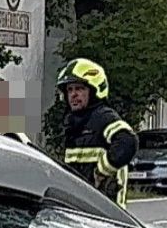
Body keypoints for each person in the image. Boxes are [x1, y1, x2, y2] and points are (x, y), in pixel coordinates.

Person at [55, 58, 137, 206]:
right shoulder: (73, 124)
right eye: (69, 89)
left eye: (79, 89)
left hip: (107, 214)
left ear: (94, 91)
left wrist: (101, 172)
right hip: (83, 209)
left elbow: (127, 141)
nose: (73, 94)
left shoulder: (103, 117)